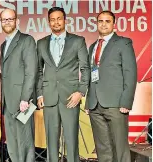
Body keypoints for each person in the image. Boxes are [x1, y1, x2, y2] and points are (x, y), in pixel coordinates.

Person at [36, 7, 90, 162]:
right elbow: (38, 71)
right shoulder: (41, 43)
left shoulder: (78, 41)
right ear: (48, 22)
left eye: (59, 18)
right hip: (49, 97)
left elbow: (85, 68)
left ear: (65, 20)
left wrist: (80, 92)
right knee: (51, 141)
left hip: (70, 98)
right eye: (52, 19)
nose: (56, 22)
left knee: (71, 139)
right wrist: (40, 94)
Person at [85, 10, 137, 162]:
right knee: (103, 149)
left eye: (107, 21)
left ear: (114, 24)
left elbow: (130, 73)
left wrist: (126, 102)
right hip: (95, 105)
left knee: (120, 148)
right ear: (97, 24)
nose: (103, 24)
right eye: (100, 21)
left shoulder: (123, 43)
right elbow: (91, 76)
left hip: (116, 104)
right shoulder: (93, 46)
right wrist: (89, 102)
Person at [0, 8, 37, 162]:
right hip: (8, 102)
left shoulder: (26, 40)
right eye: (4, 20)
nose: (7, 22)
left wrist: (25, 98)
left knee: (25, 142)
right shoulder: (3, 45)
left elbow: (31, 71)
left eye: (10, 19)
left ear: (16, 21)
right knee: (13, 144)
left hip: (22, 101)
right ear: (1, 22)